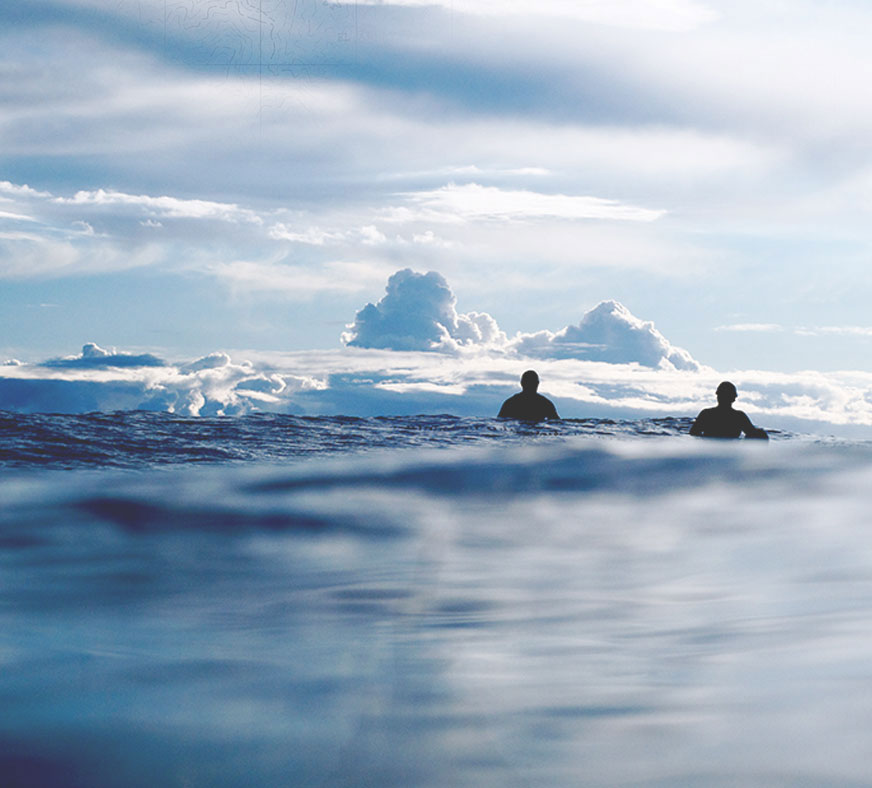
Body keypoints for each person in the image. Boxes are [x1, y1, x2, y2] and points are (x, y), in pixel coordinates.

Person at [689, 381, 767, 439]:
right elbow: (753, 434)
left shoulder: (706, 414)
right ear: (734, 398)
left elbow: (693, 435)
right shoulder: (739, 416)